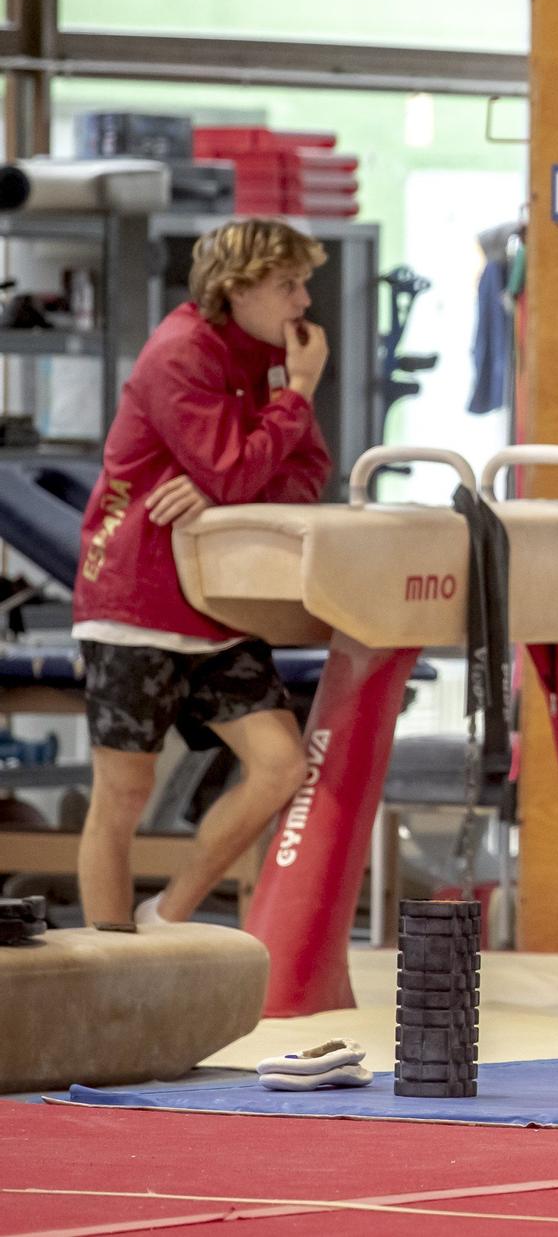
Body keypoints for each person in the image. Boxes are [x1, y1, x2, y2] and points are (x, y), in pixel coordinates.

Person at [72, 217, 333, 929]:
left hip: (215, 605)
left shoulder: (272, 356)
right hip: (134, 599)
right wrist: (296, 397)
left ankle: (167, 915)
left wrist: (232, 485)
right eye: (289, 284)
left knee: (281, 766)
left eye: (303, 282)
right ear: (238, 288)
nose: (304, 300)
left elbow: (307, 469)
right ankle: (111, 967)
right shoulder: (180, 351)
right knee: (123, 794)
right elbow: (233, 465)